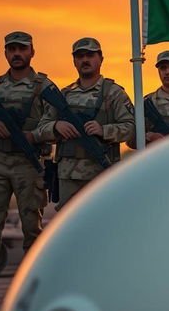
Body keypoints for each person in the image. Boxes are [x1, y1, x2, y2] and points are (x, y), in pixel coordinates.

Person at [0, 32, 54, 305]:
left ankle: (32, 292)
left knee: (32, 228)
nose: (16, 53)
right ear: (6, 53)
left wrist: (33, 136)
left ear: (32, 52)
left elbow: (55, 123)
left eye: (21, 49)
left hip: (29, 165)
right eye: (11, 49)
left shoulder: (44, 87)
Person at [36, 38, 135, 210]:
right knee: (69, 227)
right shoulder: (63, 95)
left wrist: (103, 130)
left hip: (103, 175)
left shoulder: (114, 94)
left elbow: (131, 129)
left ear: (101, 58)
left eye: (90, 55)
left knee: (104, 223)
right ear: (74, 61)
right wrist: (56, 127)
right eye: (80, 56)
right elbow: (40, 130)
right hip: (68, 176)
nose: (85, 60)